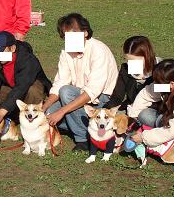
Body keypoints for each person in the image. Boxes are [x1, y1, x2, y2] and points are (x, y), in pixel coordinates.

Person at [43, 13, 118, 151]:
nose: (69, 40)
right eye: (66, 37)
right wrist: (43, 108)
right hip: (77, 94)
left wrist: (61, 112)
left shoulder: (98, 50)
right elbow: (59, 82)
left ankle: (82, 139)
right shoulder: (66, 52)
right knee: (47, 115)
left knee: (65, 93)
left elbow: (92, 92)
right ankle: (80, 125)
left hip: (100, 97)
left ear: (85, 33)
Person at [0, 31, 51, 127]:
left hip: (28, 90)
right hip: (12, 89)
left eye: (1, 51)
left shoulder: (27, 59)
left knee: (33, 90)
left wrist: (1, 112)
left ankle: (34, 118)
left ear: (12, 48)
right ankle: (12, 115)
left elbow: (21, 87)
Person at [104, 36, 159, 111]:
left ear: (147, 56)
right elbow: (117, 96)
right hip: (132, 106)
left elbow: (167, 89)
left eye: (135, 61)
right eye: (128, 60)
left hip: (154, 108)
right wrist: (104, 110)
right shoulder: (126, 69)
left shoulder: (161, 69)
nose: (131, 64)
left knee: (145, 116)